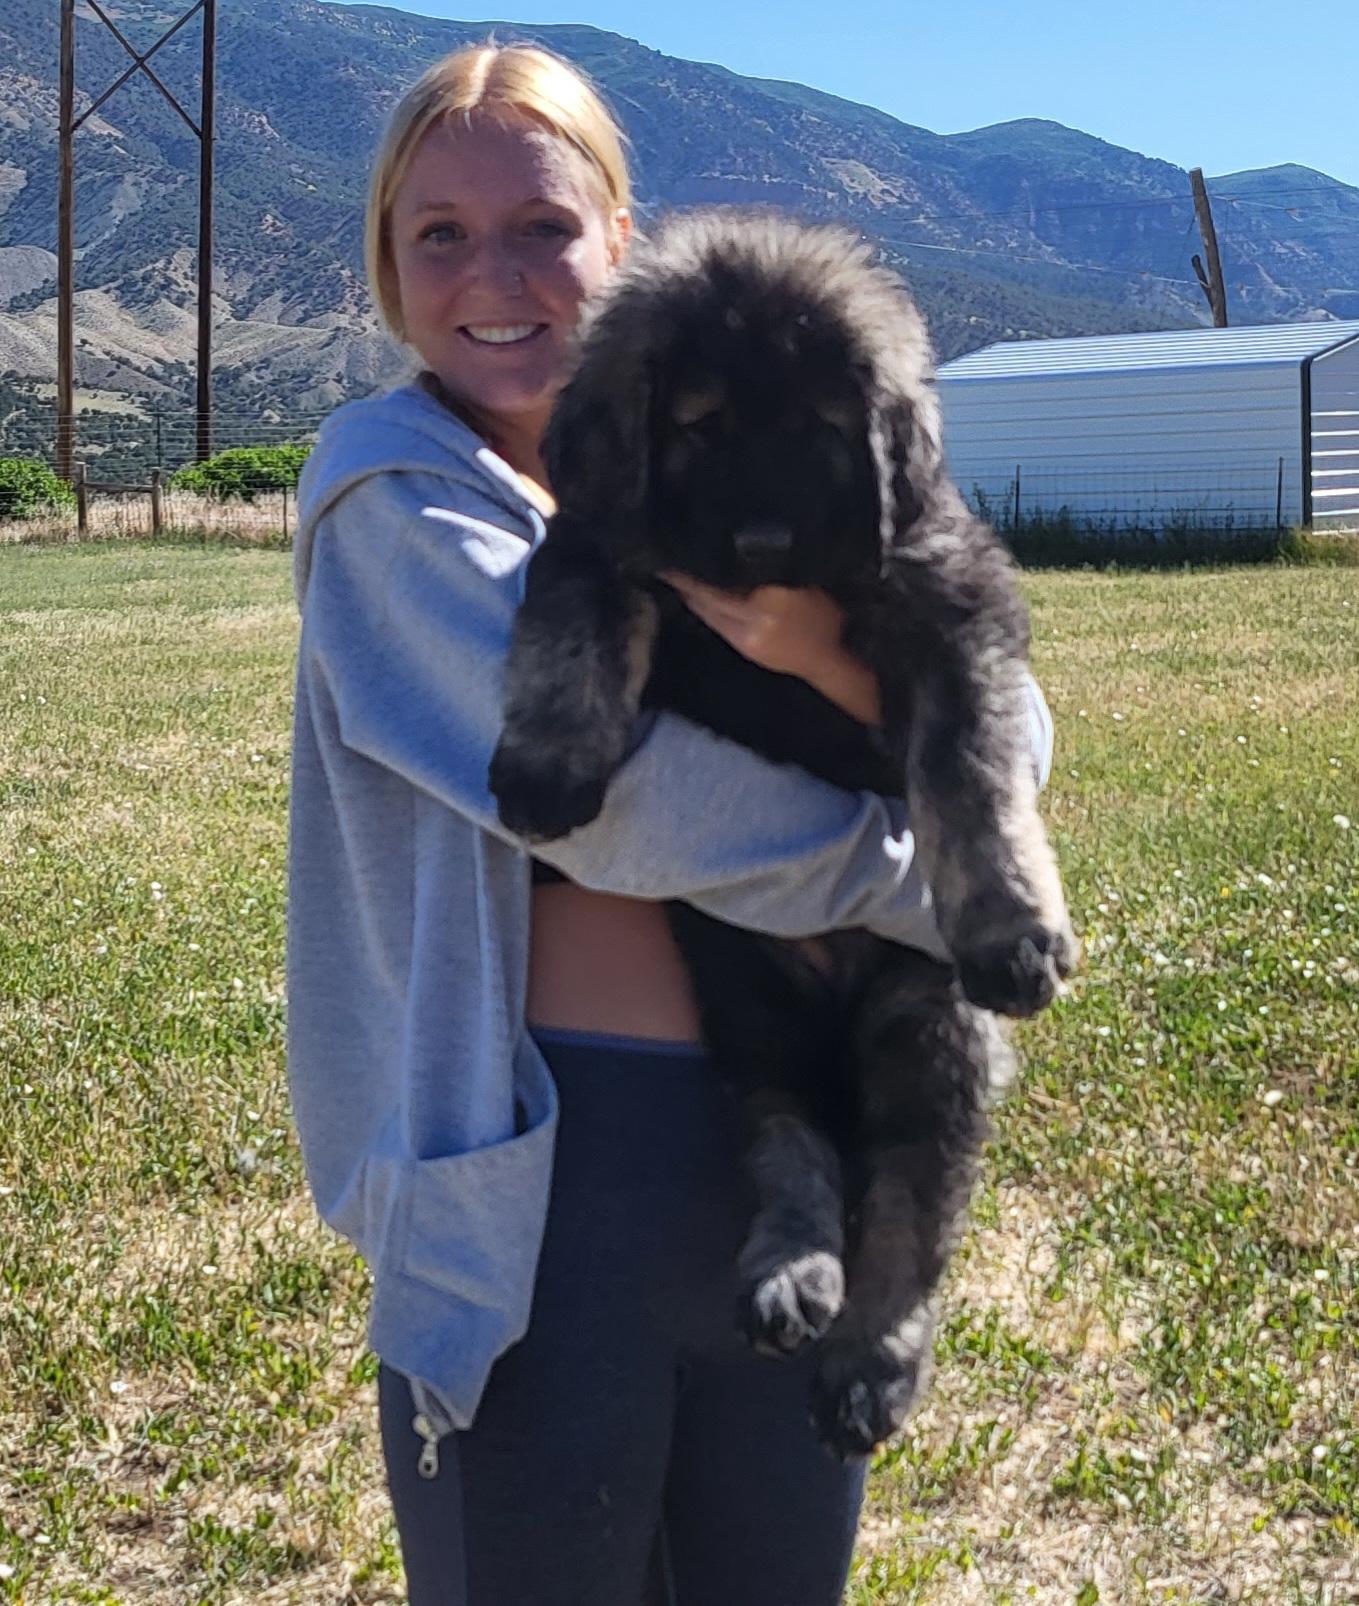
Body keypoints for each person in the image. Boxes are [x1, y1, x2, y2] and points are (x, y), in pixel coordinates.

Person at [287, 42, 1053, 1606]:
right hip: (542, 1184)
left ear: (621, 242)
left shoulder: (744, 455)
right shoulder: (390, 496)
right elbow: (622, 817)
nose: (495, 276)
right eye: (440, 233)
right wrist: (919, 883)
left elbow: (1016, 716)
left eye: (543, 227)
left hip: (795, 1151)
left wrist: (820, 654)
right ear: (385, 262)